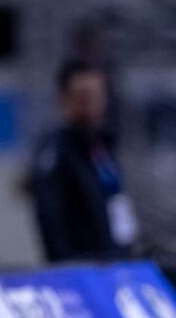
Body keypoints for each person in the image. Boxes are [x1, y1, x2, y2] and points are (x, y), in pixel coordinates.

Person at [29, 59, 138, 263]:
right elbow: (50, 220)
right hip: (80, 269)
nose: (92, 105)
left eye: (97, 96)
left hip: (114, 263)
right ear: (63, 98)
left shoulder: (102, 148)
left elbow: (117, 206)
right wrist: (65, 267)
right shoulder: (55, 151)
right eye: (83, 97)